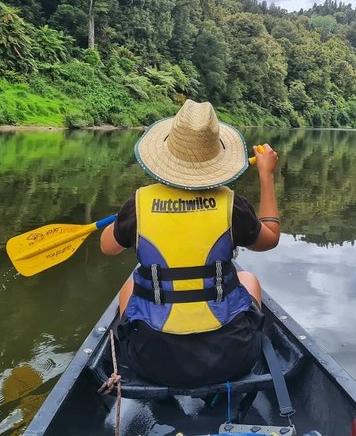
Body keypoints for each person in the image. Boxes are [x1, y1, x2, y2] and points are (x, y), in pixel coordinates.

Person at [99, 99, 280, 387]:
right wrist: (266, 177)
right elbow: (269, 239)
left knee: (130, 284)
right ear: (217, 157)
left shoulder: (140, 202)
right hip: (230, 357)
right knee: (248, 279)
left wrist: (128, 214)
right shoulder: (232, 204)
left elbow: (108, 247)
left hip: (151, 360)